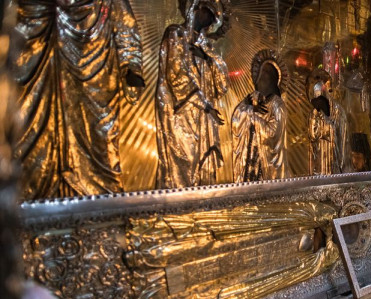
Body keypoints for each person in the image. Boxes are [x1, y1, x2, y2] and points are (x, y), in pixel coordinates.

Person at [13, 0, 144, 199]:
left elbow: (124, 24)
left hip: (94, 79)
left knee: (98, 142)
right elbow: (12, 21)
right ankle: (32, 198)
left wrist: (131, 65)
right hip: (39, 70)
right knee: (32, 139)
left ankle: (102, 201)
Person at [155, 0, 229, 189]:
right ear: (195, 8)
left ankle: (202, 203)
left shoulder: (207, 47)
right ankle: (179, 203)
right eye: (208, 13)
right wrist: (205, 105)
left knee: (203, 162)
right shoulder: (176, 34)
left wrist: (207, 58)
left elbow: (222, 85)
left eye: (213, 18)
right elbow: (176, 74)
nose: (210, 21)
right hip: (181, 112)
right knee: (183, 160)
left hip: (203, 117)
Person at [232, 49, 289, 182]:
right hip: (251, 161)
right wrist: (249, 108)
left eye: (266, 73)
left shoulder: (277, 105)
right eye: (260, 73)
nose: (261, 78)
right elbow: (237, 118)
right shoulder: (254, 98)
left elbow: (273, 134)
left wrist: (253, 117)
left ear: (274, 79)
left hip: (267, 166)